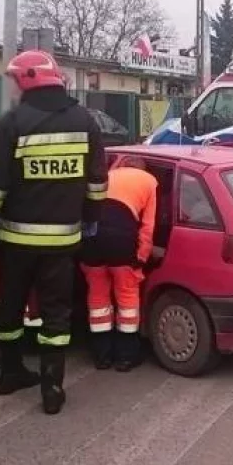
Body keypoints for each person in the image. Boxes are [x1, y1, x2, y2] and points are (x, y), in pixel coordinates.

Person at [0, 49, 107, 415]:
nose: (13, 89)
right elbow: (97, 183)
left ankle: (10, 373)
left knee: (10, 308)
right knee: (55, 315)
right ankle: (52, 387)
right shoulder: (85, 121)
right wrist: (90, 218)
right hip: (63, 242)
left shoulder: (13, 122)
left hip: (14, 242)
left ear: (27, 80)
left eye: (15, 81)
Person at [80, 156, 157, 371]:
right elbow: (148, 227)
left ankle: (101, 356)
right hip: (122, 241)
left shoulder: (108, 175)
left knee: (97, 297)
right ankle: (126, 357)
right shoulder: (150, 181)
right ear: (143, 168)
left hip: (91, 239)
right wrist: (140, 258)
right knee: (127, 297)